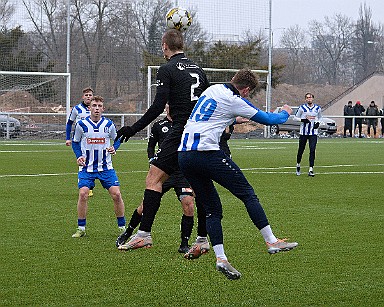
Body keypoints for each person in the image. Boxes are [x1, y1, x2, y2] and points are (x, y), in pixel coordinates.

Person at [178, 69, 298, 280]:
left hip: (185, 156)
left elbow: (208, 116)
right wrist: (286, 112)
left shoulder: (213, 89)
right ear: (246, 89)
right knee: (247, 194)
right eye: (247, 94)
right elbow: (269, 119)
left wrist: (232, 120)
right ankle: (271, 241)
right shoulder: (235, 99)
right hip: (207, 153)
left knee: (212, 209)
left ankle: (221, 258)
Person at [116, 29, 210, 252]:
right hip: (201, 133)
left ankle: (143, 234)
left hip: (180, 132)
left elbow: (158, 106)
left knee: (153, 179)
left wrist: (133, 128)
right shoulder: (199, 70)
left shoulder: (166, 69)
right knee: (201, 187)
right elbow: (208, 103)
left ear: (164, 46)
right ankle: (203, 238)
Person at [116, 104, 196, 254]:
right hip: (164, 171)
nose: (169, 108)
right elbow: (151, 146)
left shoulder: (187, 124)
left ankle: (184, 243)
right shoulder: (159, 125)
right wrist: (151, 160)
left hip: (181, 172)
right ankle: (128, 233)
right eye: (167, 106)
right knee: (144, 206)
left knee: (188, 204)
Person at [71, 95, 126, 238]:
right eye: (94, 105)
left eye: (99, 106)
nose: (96, 108)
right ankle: (81, 228)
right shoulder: (81, 125)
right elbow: (76, 142)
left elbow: (118, 138)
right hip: (86, 168)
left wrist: (115, 147)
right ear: (89, 107)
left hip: (106, 167)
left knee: (117, 194)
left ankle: (122, 227)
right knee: (83, 194)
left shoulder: (108, 125)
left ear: (103, 108)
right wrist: (79, 156)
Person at [66, 87, 95, 197]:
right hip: (80, 141)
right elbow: (69, 123)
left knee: (93, 161)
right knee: (82, 161)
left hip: (93, 140)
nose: (88, 97)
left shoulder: (95, 108)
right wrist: (68, 138)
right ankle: (85, 186)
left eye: (90, 95)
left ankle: (90, 186)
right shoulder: (77, 109)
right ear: (83, 97)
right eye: (86, 95)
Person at [294, 93, 322, 177]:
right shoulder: (302, 108)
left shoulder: (317, 108)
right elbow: (295, 118)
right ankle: (298, 165)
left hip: (313, 133)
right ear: (305, 99)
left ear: (313, 98)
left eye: (310, 97)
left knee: (312, 150)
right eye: (307, 97)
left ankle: (311, 169)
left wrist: (318, 123)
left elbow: (320, 117)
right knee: (301, 150)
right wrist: (302, 120)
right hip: (304, 133)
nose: (309, 99)